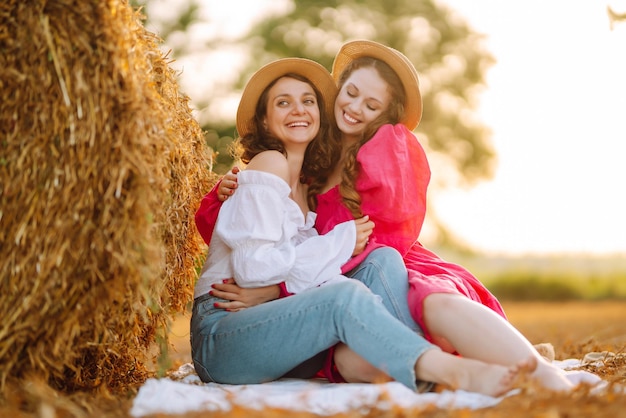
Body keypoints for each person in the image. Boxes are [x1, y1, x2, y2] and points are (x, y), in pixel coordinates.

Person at [199, 41, 573, 392]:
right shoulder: (299, 169)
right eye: (351, 93)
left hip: (371, 273)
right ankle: (457, 367)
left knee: (405, 287)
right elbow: (239, 241)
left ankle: (520, 369)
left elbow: (383, 238)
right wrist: (227, 190)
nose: (356, 107)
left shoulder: (371, 153)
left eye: (307, 100)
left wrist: (277, 288)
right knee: (355, 346)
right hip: (276, 306)